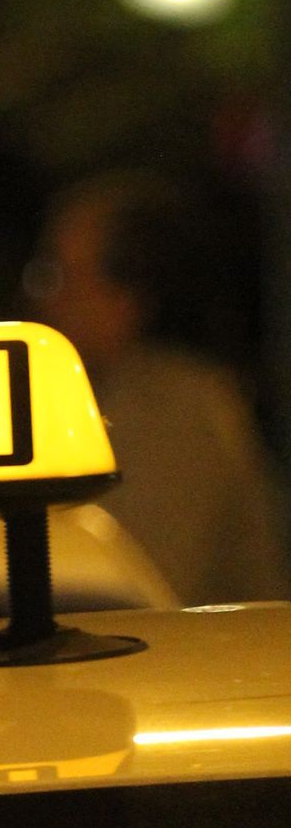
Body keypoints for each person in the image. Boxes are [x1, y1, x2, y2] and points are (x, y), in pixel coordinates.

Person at [26, 171, 290, 607]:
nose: (46, 300)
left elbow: (135, 589)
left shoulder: (181, 411)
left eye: (62, 277)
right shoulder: (86, 394)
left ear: (128, 299)